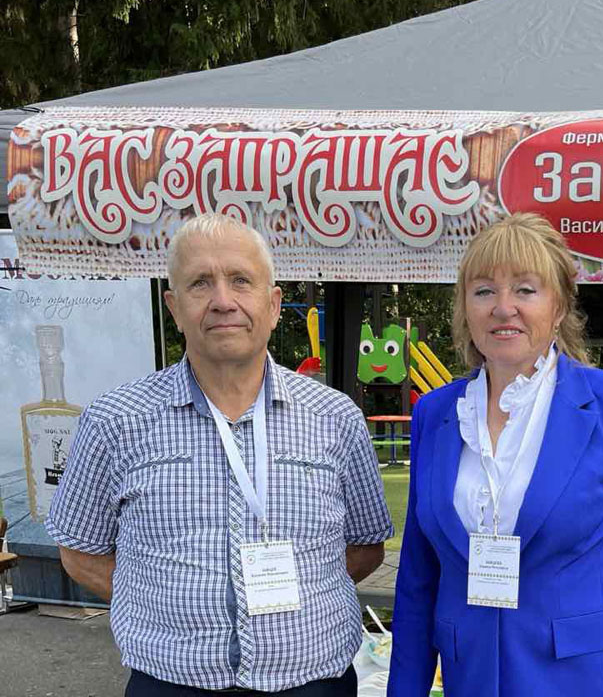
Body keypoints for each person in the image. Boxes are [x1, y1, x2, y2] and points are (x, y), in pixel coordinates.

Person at [46, 213, 393, 696]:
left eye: (241, 280)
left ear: (273, 305)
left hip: (313, 682)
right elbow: (79, 551)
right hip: (172, 684)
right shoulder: (114, 420)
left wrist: (304, 596)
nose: (223, 301)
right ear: (174, 307)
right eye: (200, 283)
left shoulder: (335, 417)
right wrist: (160, 600)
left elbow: (366, 546)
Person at [387, 213, 603, 697]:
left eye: (525, 290)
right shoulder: (435, 414)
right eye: (484, 291)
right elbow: (417, 582)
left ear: (559, 307)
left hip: (591, 680)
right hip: (474, 680)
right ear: (465, 307)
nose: (503, 308)